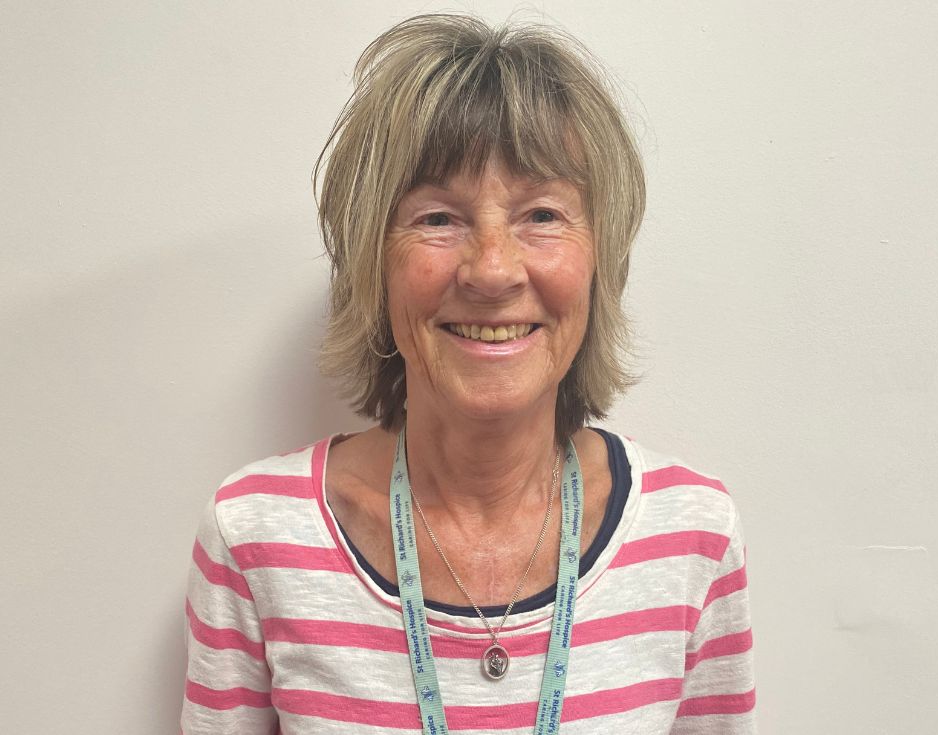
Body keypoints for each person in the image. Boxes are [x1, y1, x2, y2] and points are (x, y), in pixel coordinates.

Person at [180, 13, 755, 734]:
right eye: (437, 217)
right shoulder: (256, 534)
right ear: (372, 258)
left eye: (541, 214)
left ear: (598, 259)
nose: (491, 269)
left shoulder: (690, 535)